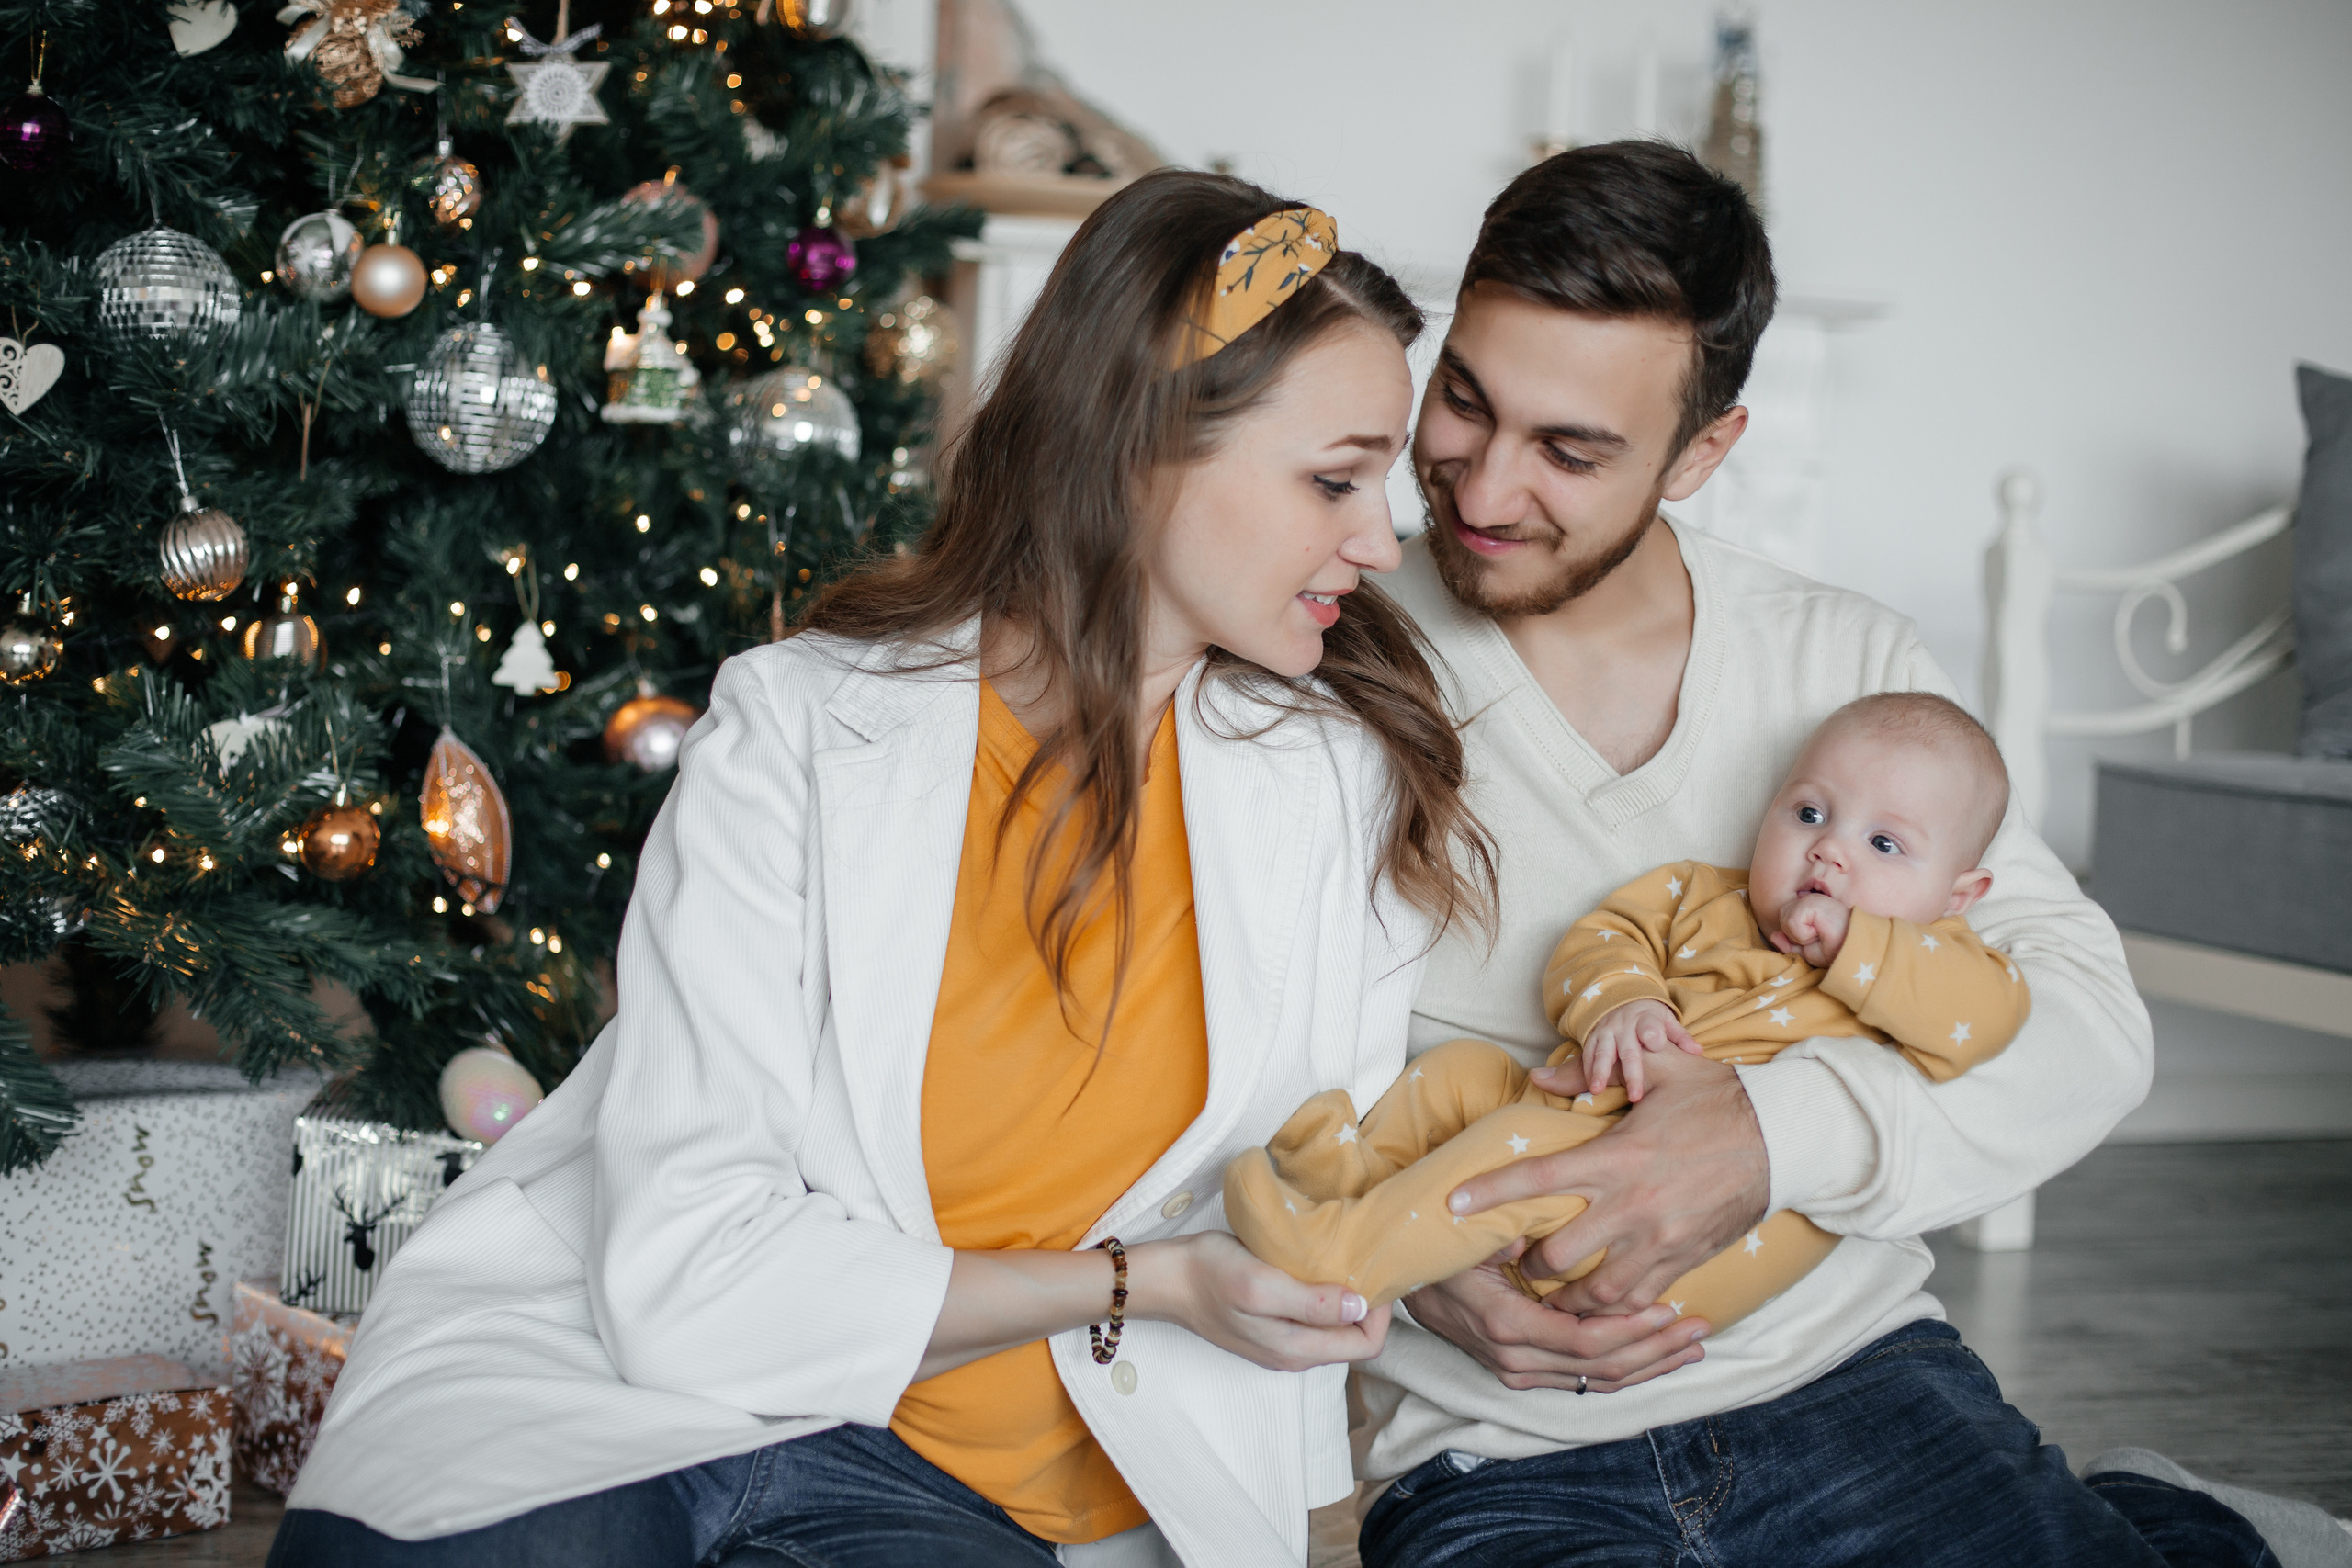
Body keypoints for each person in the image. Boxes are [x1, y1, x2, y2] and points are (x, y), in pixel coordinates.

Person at [269, 172, 1494, 1568]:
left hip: (967, 1505)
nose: (1380, 541)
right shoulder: (795, 730)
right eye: (1334, 479)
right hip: (624, 1402)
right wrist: (1139, 1281)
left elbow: (1342, 1189)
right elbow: (690, 1274)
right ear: (1136, 445)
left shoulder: (1339, 783)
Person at [1351, 141, 2318, 1566]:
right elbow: (1199, 1061)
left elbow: (2089, 1027)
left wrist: (1769, 1135)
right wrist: (1400, 1275)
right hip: (1498, 1441)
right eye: (1465, 400)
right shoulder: (1330, 638)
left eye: (1571, 450)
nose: (1484, 488)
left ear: (1702, 454)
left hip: (1859, 1382)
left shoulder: (1846, 664)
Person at [1227, 692, 2028, 1326]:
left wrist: (1859, 944)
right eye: (1810, 813)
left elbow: (1988, 1020)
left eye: (1885, 845)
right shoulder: (1702, 894)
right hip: (1583, 1115)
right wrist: (1626, 998)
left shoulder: (1943, 964)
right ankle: (1355, 1181)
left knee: (1523, 1150)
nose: (1830, 849)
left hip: (1675, 1243)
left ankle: (1338, 1261)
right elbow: (1602, 939)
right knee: (1460, 1073)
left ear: (1960, 894)